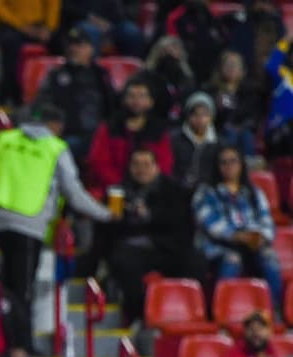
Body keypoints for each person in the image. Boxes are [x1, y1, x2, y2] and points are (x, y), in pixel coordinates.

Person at [0, 102, 111, 357]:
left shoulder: (5, 139)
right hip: (28, 223)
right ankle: (22, 345)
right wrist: (106, 214)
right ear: (56, 126)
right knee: (22, 289)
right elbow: (74, 194)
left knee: (2, 287)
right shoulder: (55, 147)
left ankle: (0, 342)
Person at [106, 148, 202, 326]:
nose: (141, 169)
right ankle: (137, 316)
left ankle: (195, 313)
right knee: (123, 260)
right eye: (136, 165)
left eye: (146, 164)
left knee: (195, 260)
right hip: (134, 249)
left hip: (167, 247)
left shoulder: (174, 190)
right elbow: (112, 229)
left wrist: (149, 216)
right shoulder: (120, 191)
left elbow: (179, 223)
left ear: (157, 167)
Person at [193, 145, 283, 315]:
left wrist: (261, 237)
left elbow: (266, 221)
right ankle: (222, 312)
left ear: (241, 164)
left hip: (251, 244)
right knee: (231, 260)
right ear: (217, 166)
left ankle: (273, 311)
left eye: (233, 161)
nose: (229, 166)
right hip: (219, 246)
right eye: (223, 162)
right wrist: (237, 236)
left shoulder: (253, 192)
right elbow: (210, 224)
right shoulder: (206, 193)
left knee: (269, 257)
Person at [34, 28, 115, 161]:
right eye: (71, 45)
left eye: (80, 45)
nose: (74, 49)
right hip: (66, 134)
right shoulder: (56, 75)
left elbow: (111, 104)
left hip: (98, 134)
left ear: (91, 49)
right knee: (69, 146)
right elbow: (41, 104)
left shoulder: (100, 75)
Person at [86, 80, 174, 194]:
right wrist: (121, 186)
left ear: (150, 102)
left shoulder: (159, 131)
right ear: (124, 100)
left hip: (152, 192)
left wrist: (148, 186)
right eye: (131, 96)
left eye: (141, 96)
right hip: (113, 191)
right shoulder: (108, 128)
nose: (136, 101)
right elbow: (98, 163)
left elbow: (165, 165)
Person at [0, 0, 60, 105]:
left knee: (62, 43)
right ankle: (12, 93)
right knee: (9, 43)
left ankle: (58, 93)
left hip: (41, 26)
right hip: (13, 25)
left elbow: (53, 4)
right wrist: (20, 25)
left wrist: (49, 27)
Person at [219, 311, 290, 357]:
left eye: (260, 328)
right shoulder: (235, 353)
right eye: (251, 328)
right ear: (245, 331)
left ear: (269, 331)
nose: (256, 332)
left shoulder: (271, 352)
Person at [170, 91, 219, 191]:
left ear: (211, 117)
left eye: (204, 115)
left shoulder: (218, 143)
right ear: (188, 116)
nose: (200, 119)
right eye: (195, 114)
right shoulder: (174, 139)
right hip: (177, 189)